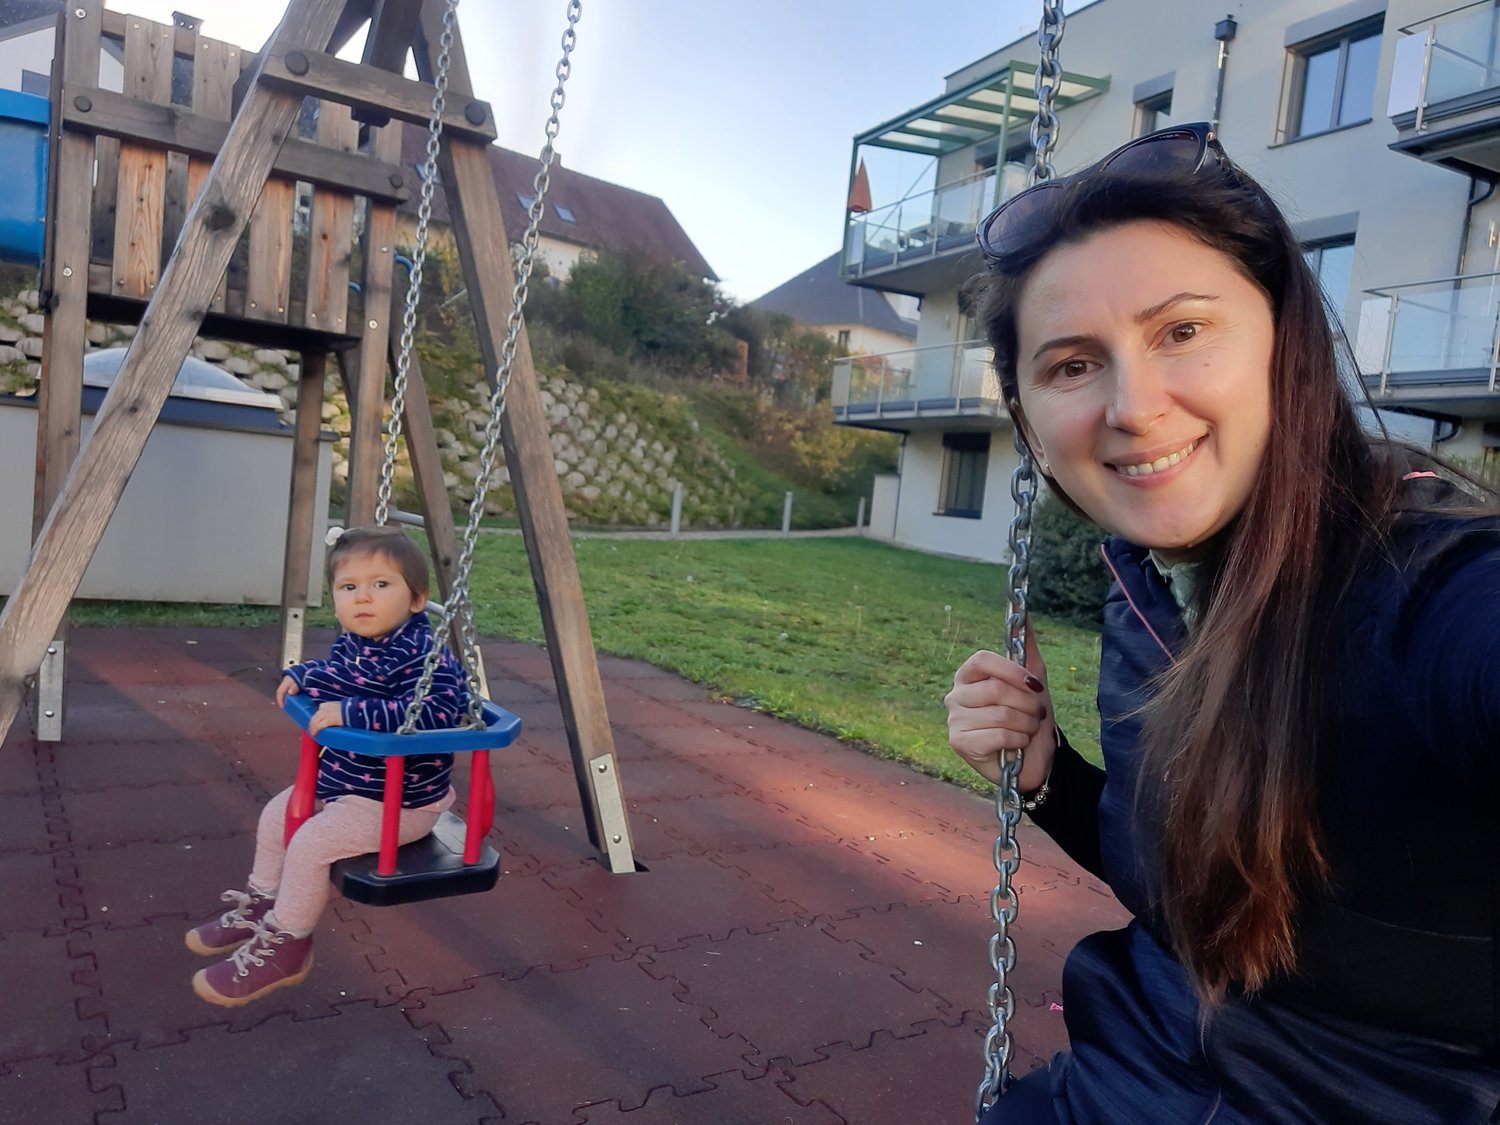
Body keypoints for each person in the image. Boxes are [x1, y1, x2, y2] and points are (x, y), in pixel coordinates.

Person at [945, 123, 1500, 1123]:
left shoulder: (1421, 585)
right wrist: (1051, 780)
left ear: (1284, 340)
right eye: (1073, 365)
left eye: (1181, 331)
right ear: (1030, 419)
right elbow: (1193, 887)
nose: (1134, 405)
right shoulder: (1147, 589)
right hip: (1131, 1076)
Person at [186, 525, 470, 1007]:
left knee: (311, 843)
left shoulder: (426, 657)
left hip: (399, 803)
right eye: (349, 587)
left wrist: (354, 713)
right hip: (348, 783)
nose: (364, 597)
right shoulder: (357, 642)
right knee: (278, 815)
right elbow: (340, 674)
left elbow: (441, 710)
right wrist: (304, 674)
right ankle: (262, 903)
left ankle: (289, 944)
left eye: (381, 584)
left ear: (417, 599)